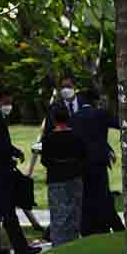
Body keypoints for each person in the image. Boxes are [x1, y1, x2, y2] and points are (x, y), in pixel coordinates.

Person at [0, 90, 41, 254]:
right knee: (8, 211)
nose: (9, 106)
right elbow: (1, 146)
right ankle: (21, 247)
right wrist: (14, 154)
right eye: (6, 102)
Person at [71, 88, 125, 235]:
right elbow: (120, 124)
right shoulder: (101, 114)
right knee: (102, 196)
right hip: (99, 162)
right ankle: (112, 226)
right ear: (95, 101)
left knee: (86, 197)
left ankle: (88, 228)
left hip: (81, 163)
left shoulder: (74, 118)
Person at [40, 105, 87, 246]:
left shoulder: (48, 138)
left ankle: (58, 242)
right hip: (74, 176)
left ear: (54, 120)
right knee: (74, 212)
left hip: (56, 178)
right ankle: (73, 241)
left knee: (58, 213)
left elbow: (45, 160)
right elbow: (83, 156)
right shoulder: (77, 136)